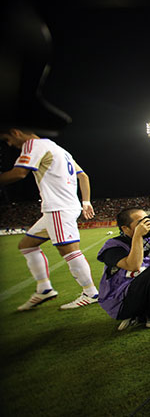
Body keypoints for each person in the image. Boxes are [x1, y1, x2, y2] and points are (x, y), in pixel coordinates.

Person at [0, 128, 100, 310]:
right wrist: (85, 201)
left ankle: (91, 293)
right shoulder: (59, 149)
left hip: (58, 207)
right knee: (26, 245)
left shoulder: (32, 145)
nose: (9, 144)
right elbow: (83, 176)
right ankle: (44, 288)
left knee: (68, 250)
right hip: (62, 207)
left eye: (7, 138)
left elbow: (19, 173)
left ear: (16, 132)